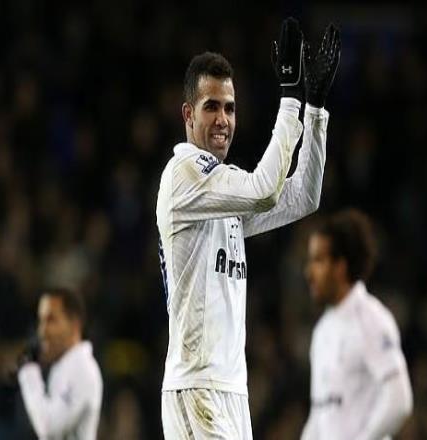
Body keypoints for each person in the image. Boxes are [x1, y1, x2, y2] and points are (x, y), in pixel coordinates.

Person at [156, 17, 340, 439]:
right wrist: (290, 100)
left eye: (230, 108)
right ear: (187, 114)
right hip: (196, 388)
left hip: (231, 392)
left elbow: (303, 196)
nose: (223, 119)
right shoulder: (184, 174)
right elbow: (264, 190)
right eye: (211, 107)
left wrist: (315, 110)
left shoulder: (221, 188)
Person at [301, 209, 413, 440]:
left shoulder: (370, 319)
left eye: (318, 260)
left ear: (340, 267)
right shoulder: (322, 330)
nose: (309, 273)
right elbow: (320, 414)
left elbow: (399, 399)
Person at [16, 288, 103, 440]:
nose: (42, 331)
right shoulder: (64, 366)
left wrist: (29, 375)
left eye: (51, 320)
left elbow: (50, 429)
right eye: (41, 321)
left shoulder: (82, 370)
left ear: (74, 324)